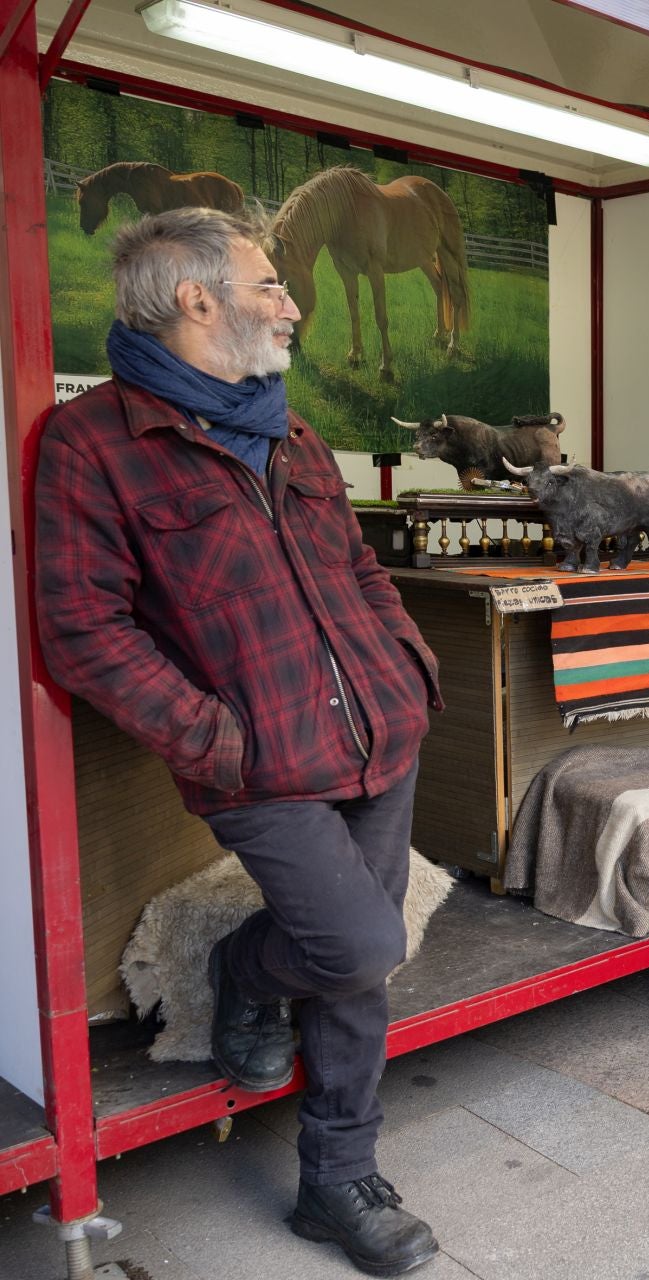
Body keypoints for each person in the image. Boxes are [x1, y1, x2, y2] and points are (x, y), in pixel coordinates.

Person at [34, 209, 443, 1277]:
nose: (293, 303)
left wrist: (406, 662)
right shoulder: (90, 445)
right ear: (196, 298)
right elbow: (83, 629)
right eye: (271, 284)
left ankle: (336, 1176)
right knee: (358, 945)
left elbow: (354, 565)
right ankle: (244, 970)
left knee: (359, 967)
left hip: (378, 734)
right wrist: (214, 736)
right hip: (258, 759)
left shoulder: (292, 429)